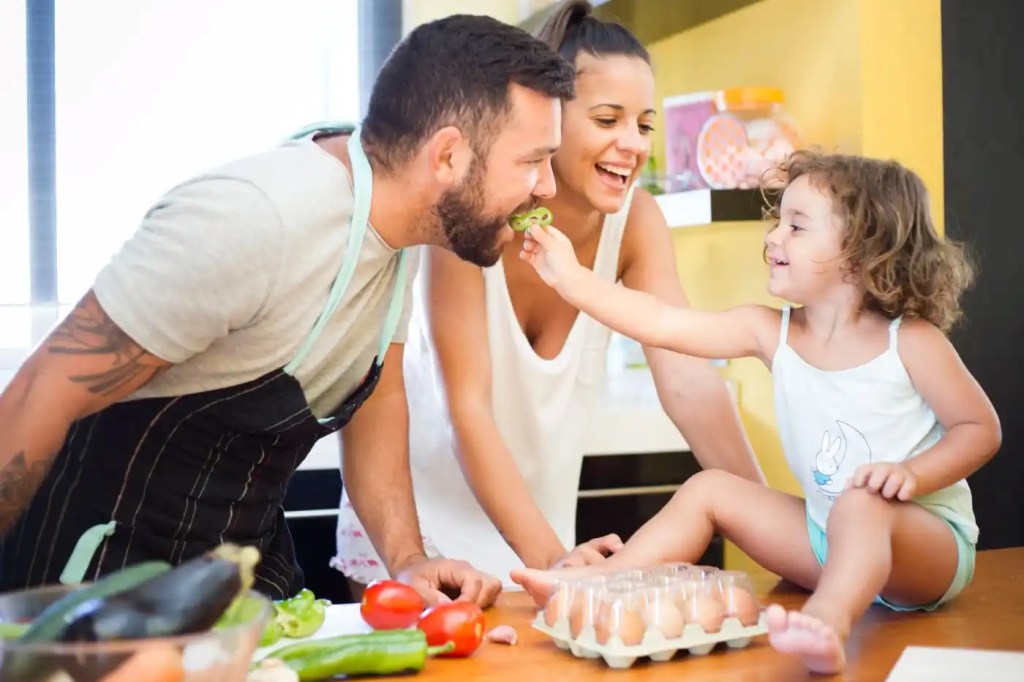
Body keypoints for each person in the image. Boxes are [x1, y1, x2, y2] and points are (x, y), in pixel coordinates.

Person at [0, 14, 577, 607]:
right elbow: (40, 392)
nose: (547, 188)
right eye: (533, 160)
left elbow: (376, 399)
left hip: (242, 583)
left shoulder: (400, 231)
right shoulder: (253, 218)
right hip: (92, 580)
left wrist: (407, 561)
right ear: (448, 156)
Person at [333, 0, 765, 599]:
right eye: (608, 119)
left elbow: (690, 381)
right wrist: (556, 561)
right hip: (416, 539)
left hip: (538, 541)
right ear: (549, 119)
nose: (631, 145)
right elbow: (469, 410)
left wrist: (784, 530)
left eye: (643, 125)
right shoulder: (474, 217)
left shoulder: (637, 221)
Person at [513, 150, 1000, 673]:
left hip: (928, 550)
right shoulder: (773, 332)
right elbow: (663, 323)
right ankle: (598, 587)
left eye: (796, 226)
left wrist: (910, 474)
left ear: (861, 252)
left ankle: (827, 623)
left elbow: (980, 430)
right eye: (777, 223)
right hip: (826, 537)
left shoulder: (912, 343)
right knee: (710, 488)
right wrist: (570, 278)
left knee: (861, 503)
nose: (773, 238)